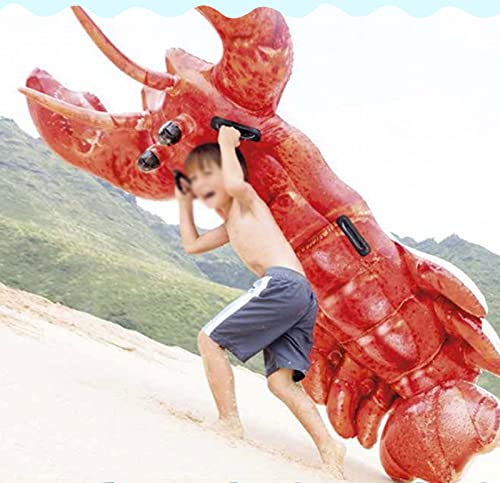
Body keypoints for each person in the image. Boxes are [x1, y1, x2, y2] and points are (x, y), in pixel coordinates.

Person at [175, 125, 345, 478]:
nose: (201, 185)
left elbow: (237, 184)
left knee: (209, 340)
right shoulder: (229, 225)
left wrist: (226, 140)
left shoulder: (248, 202)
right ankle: (330, 447)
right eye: (196, 179)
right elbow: (191, 245)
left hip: (282, 286)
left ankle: (229, 421)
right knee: (280, 382)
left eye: (209, 173)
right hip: (300, 295)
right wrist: (183, 204)